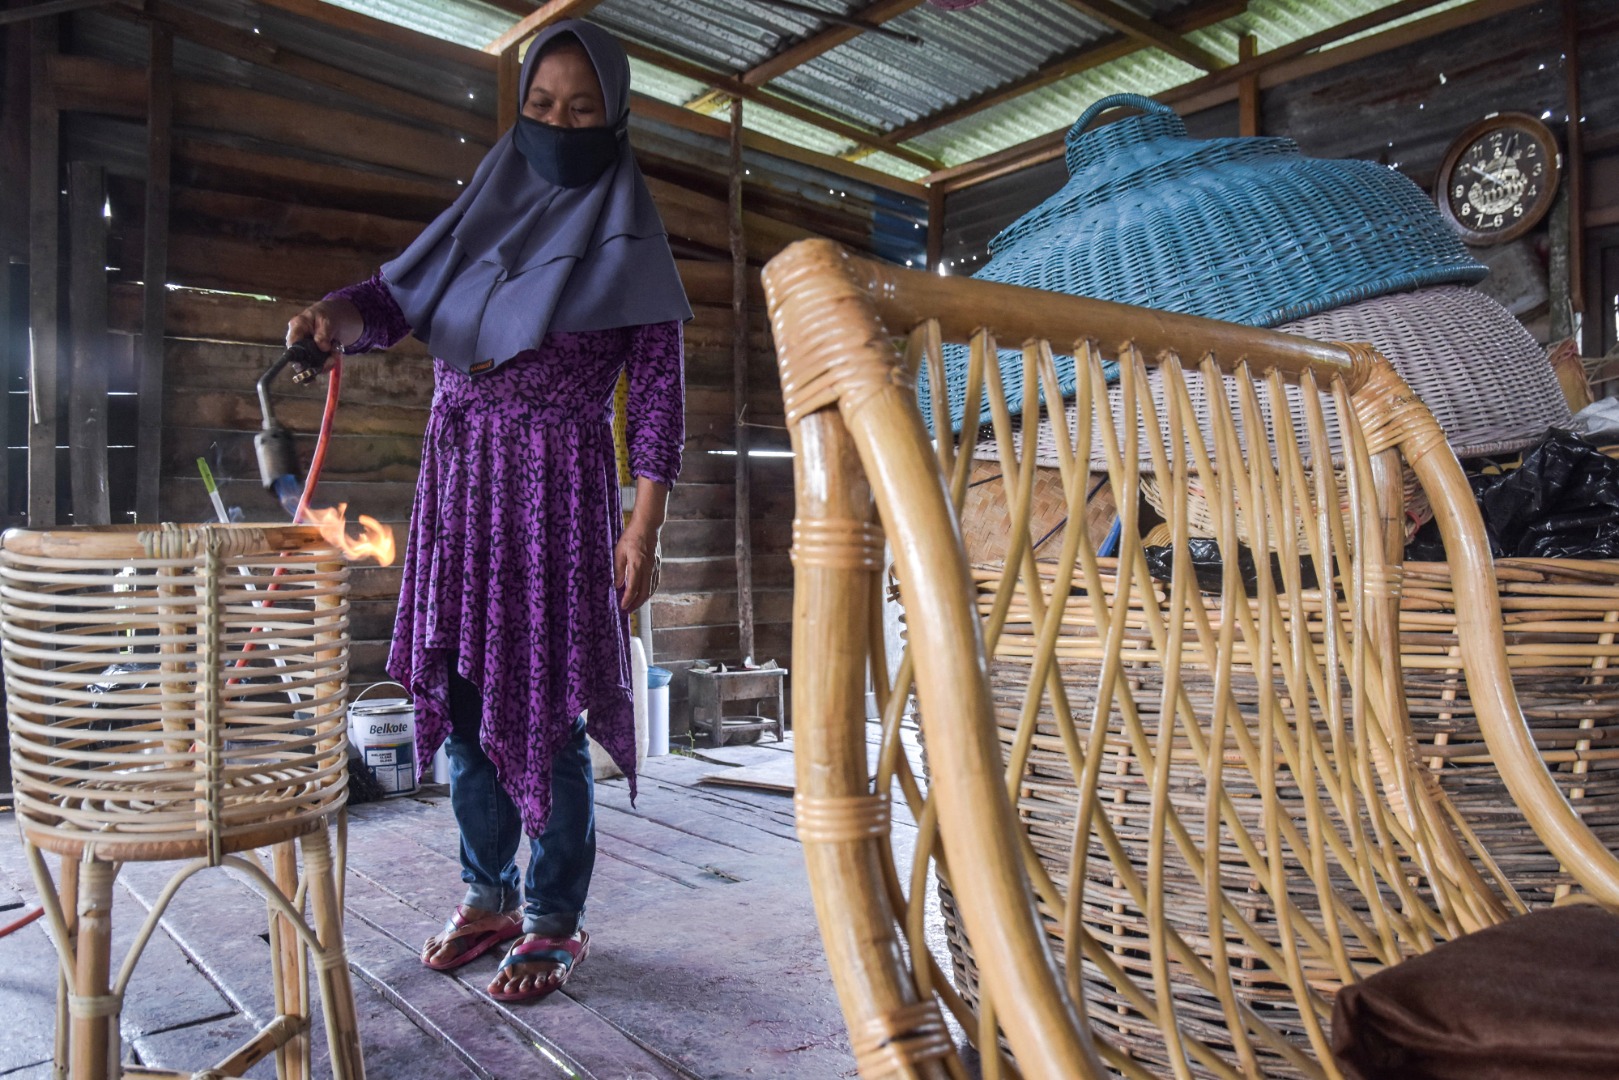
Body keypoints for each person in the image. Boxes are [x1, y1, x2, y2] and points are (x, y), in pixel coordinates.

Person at [285, 20, 690, 1005]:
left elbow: (662, 393)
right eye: (542, 107)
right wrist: (332, 319)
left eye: (580, 109)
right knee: (465, 699)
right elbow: (392, 297)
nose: (558, 123)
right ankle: (488, 897)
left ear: (616, 116)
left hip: (554, 489)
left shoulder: (627, 239)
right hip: (459, 488)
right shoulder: (483, 208)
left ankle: (553, 918)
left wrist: (640, 529)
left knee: (548, 708)